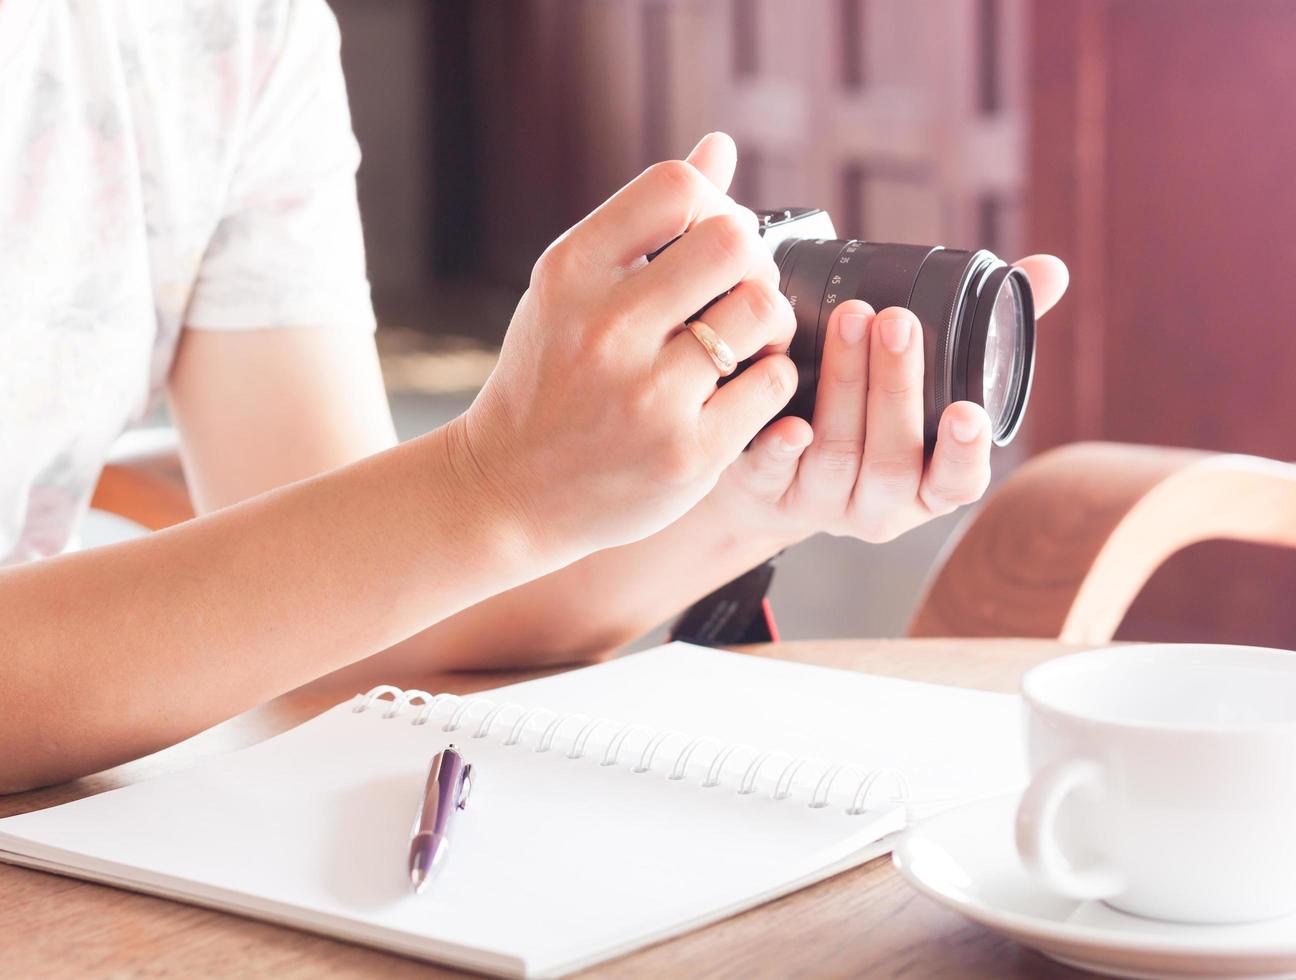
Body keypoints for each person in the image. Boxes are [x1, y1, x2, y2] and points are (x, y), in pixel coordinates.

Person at [0, 0, 1067, 792]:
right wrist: (486, 480)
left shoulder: (231, 37)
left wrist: (750, 488)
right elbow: (425, 534)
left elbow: (352, 607)